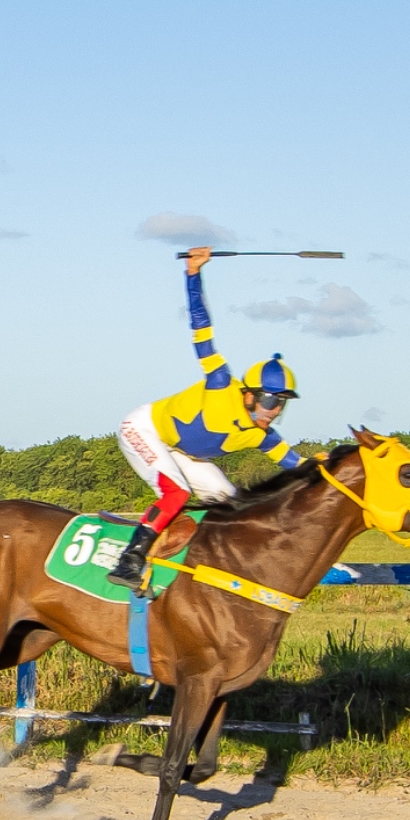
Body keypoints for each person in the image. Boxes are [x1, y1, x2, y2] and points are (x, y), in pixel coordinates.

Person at [106, 245, 301, 590]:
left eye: (282, 403)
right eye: (270, 399)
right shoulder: (220, 382)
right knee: (176, 493)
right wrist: (194, 274)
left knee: (231, 504)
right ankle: (129, 561)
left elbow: (299, 468)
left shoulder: (263, 436)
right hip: (144, 429)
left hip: (184, 453)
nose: (273, 410)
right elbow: (201, 329)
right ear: (249, 393)